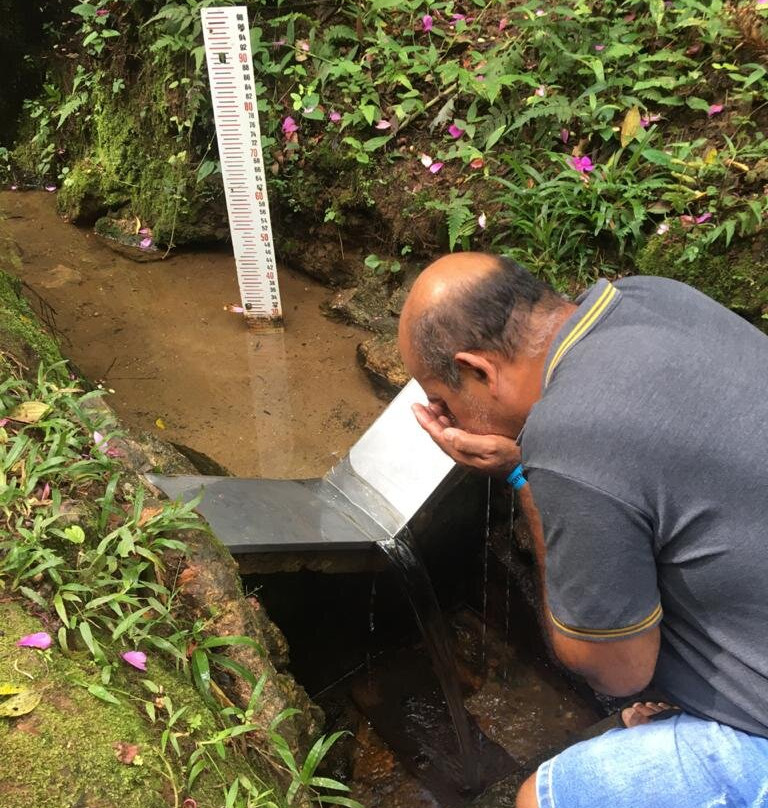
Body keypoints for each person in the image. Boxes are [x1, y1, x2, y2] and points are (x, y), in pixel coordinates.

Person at [397, 252, 768, 808]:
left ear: (478, 371)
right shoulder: (651, 296)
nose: (448, 419)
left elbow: (615, 672)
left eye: (444, 403)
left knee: (544, 797)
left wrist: (524, 475)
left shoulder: (571, 439)